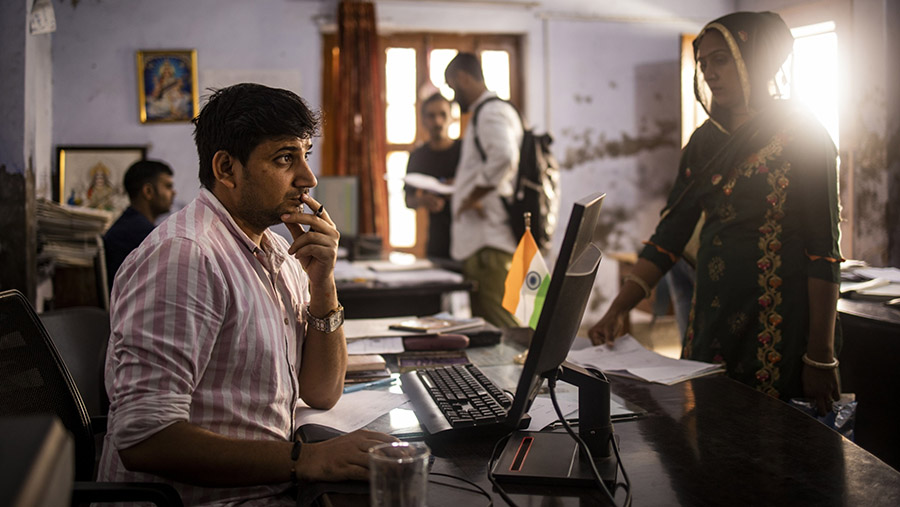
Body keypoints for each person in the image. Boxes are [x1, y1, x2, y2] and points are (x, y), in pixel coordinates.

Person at [98, 83, 396, 505]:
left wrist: (323, 285)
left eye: (305, 154)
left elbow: (321, 392)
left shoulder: (275, 250)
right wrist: (305, 459)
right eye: (284, 158)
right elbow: (145, 438)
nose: (308, 178)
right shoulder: (186, 256)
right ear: (226, 169)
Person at [588, 11, 843, 416]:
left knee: (779, 456)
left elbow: (823, 253)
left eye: (721, 59)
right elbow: (669, 235)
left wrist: (820, 356)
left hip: (778, 327)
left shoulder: (804, 137)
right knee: (713, 446)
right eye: (704, 64)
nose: (709, 73)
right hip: (713, 322)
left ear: (755, 59)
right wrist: (617, 308)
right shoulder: (704, 144)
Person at [445, 52, 523, 328]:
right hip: (484, 241)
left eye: (453, 86)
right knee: (488, 319)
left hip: (488, 242)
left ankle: (521, 371)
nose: (454, 96)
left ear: (463, 78)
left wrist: (472, 197)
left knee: (499, 320)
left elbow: (504, 156)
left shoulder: (490, 111)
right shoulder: (491, 111)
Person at [102, 159, 176, 290]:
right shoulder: (139, 233)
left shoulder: (131, 224)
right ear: (148, 191)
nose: (174, 192)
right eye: (168, 186)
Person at [404, 92, 460, 260]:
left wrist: (460, 189)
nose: (437, 121)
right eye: (431, 116)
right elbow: (408, 200)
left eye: (442, 114)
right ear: (423, 121)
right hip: (437, 242)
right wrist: (424, 200)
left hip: (469, 240)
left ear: (451, 117)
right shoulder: (418, 156)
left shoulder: (465, 151)